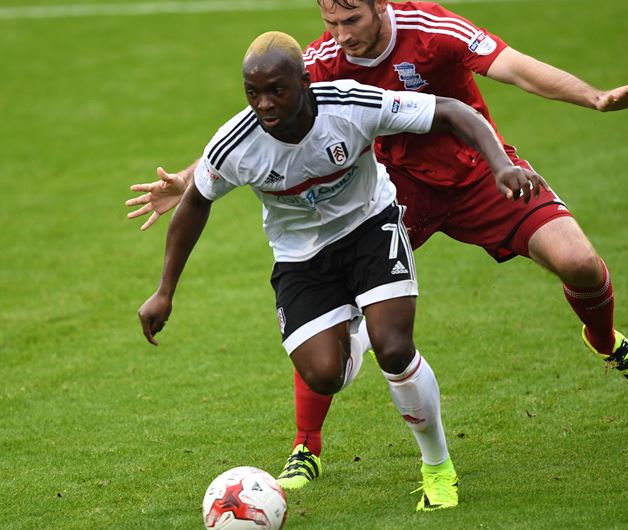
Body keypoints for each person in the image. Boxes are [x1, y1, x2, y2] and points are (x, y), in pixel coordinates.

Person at [127, 0, 628, 496]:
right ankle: (306, 446)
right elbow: (256, 127)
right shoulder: (316, 64)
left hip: (478, 174)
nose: (341, 35)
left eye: (352, 20)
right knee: (334, 314)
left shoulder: (431, 29)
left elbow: (515, 67)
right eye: (330, 23)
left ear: (380, 6)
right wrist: (186, 180)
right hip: (401, 188)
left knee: (578, 263)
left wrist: (593, 97)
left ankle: (604, 341)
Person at [138, 30, 544, 511]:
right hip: (301, 258)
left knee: (396, 348)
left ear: (304, 81)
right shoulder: (236, 145)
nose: (264, 104)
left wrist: (499, 165)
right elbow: (194, 203)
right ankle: (364, 329)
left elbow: (454, 111)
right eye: (253, 92)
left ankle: (437, 467)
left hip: (370, 227)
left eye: (276, 90)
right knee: (324, 375)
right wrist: (165, 290)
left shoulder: (350, 105)